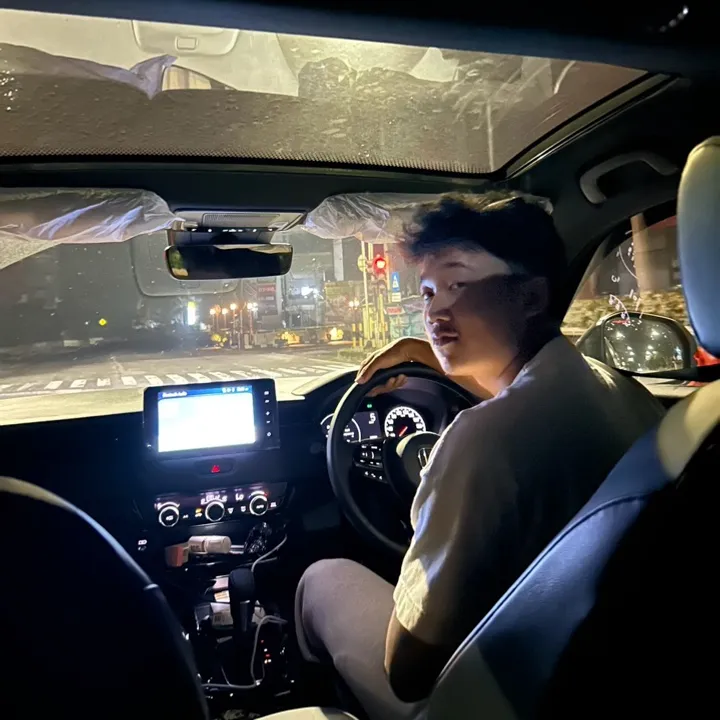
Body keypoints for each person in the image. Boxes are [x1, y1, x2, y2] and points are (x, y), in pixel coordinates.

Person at [295, 192, 662, 720]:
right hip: (591, 669)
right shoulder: (617, 389)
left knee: (320, 579)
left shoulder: (480, 442)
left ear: (531, 296)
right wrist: (428, 356)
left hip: (494, 701)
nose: (435, 311)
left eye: (459, 285)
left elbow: (407, 670)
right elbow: (527, 402)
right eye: (428, 293)